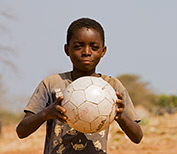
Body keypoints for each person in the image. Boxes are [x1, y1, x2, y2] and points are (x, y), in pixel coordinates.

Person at [16, 17, 143, 154]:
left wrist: (121, 115)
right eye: (78, 46)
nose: (86, 52)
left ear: (103, 51)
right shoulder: (51, 84)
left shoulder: (111, 87)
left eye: (94, 47)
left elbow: (137, 137)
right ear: (67, 49)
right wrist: (46, 113)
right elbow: (21, 131)